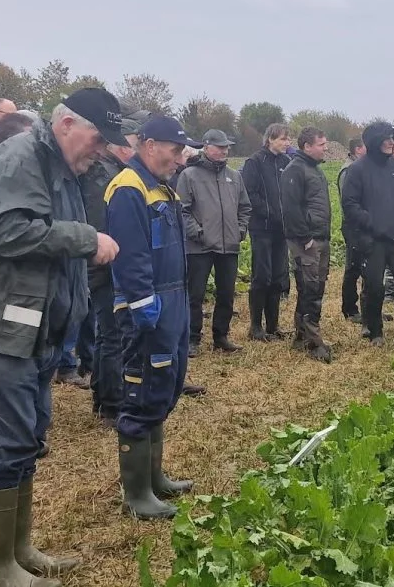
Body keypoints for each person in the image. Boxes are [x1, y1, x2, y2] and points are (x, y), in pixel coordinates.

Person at [0, 88, 123, 582]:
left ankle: (18, 551)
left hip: (30, 325)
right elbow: (7, 232)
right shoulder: (21, 158)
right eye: (97, 137)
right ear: (66, 125)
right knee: (5, 440)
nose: (100, 149)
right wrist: (86, 240)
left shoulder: (59, 165)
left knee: (28, 436)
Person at [106, 115, 199, 520]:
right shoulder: (129, 188)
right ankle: (136, 494)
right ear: (149, 145)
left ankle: (154, 477)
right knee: (142, 391)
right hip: (149, 305)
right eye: (175, 150)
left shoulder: (160, 186)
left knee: (165, 384)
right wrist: (145, 308)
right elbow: (132, 256)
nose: (180, 160)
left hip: (173, 299)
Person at [81, 109, 144, 427]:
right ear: (119, 145)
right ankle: (109, 403)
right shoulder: (101, 176)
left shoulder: (110, 171)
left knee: (109, 334)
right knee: (111, 335)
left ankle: (103, 393)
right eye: (134, 142)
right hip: (105, 267)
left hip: (110, 265)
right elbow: (99, 229)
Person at [340, 122, 394, 348]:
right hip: (372, 239)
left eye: (392, 138)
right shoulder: (358, 170)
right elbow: (350, 204)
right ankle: (375, 330)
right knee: (375, 287)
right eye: (386, 139)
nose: (391, 143)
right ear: (374, 142)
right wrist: (371, 222)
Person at [176, 129, 250, 357]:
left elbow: (244, 207)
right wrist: (197, 233)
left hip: (229, 245)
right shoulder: (189, 175)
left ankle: (221, 336)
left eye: (227, 146)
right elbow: (182, 210)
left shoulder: (234, 176)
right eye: (220, 146)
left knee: (226, 294)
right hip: (199, 247)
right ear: (206, 148)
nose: (225, 150)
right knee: (195, 295)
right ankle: (192, 339)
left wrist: (240, 229)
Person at [280, 127, 332, 362]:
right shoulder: (295, 170)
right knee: (310, 288)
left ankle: (301, 335)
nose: (326, 148)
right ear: (307, 146)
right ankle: (314, 342)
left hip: (321, 237)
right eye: (321, 144)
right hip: (307, 241)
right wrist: (305, 237)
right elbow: (291, 208)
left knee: (314, 286)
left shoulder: (314, 170)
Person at [240, 123, 292, 341]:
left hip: (281, 230)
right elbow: (250, 194)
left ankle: (273, 326)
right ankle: (255, 327)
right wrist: (271, 213)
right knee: (262, 276)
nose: (286, 143)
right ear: (270, 139)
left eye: (288, 139)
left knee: (278, 276)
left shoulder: (286, 162)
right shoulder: (254, 162)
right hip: (262, 228)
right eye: (282, 139)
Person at [338, 137, 367, 321]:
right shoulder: (348, 170)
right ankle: (350, 309)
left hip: (363, 224)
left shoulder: (361, 168)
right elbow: (349, 202)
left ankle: (369, 306)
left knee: (368, 267)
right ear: (358, 149)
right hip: (353, 225)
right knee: (353, 267)